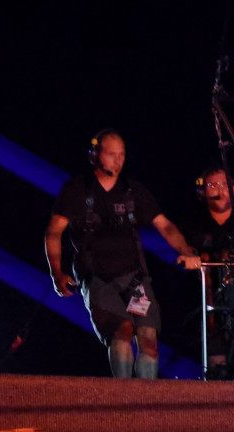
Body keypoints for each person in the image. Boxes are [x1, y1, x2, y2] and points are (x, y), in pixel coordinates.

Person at [44, 129, 200, 379]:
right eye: (111, 154)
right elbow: (53, 232)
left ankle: (144, 403)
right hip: (98, 279)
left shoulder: (133, 191)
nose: (117, 160)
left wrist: (186, 251)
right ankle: (123, 401)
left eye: (122, 154)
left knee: (148, 339)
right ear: (95, 156)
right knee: (122, 331)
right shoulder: (77, 190)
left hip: (135, 279)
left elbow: (165, 225)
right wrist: (57, 272)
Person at [179, 166, 234, 375]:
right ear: (202, 192)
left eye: (224, 184)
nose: (220, 189)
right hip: (207, 303)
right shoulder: (192, 222)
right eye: (212, 185)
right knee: (216, 364)